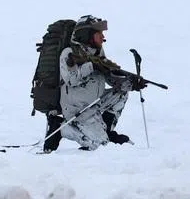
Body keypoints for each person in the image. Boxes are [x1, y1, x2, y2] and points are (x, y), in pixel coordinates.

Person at [57, 15, 142, 150]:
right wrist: (92, 66)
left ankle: (106, 131)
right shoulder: (69, 53)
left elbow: (110, 79)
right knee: (100, 146)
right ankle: (67, 128)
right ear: (87, 35)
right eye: (99, 33)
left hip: (93, 103)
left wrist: (130, 84)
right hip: (78, 109)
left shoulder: (97, 52)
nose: (103, 37)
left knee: (121, 94)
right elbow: (71, 80)